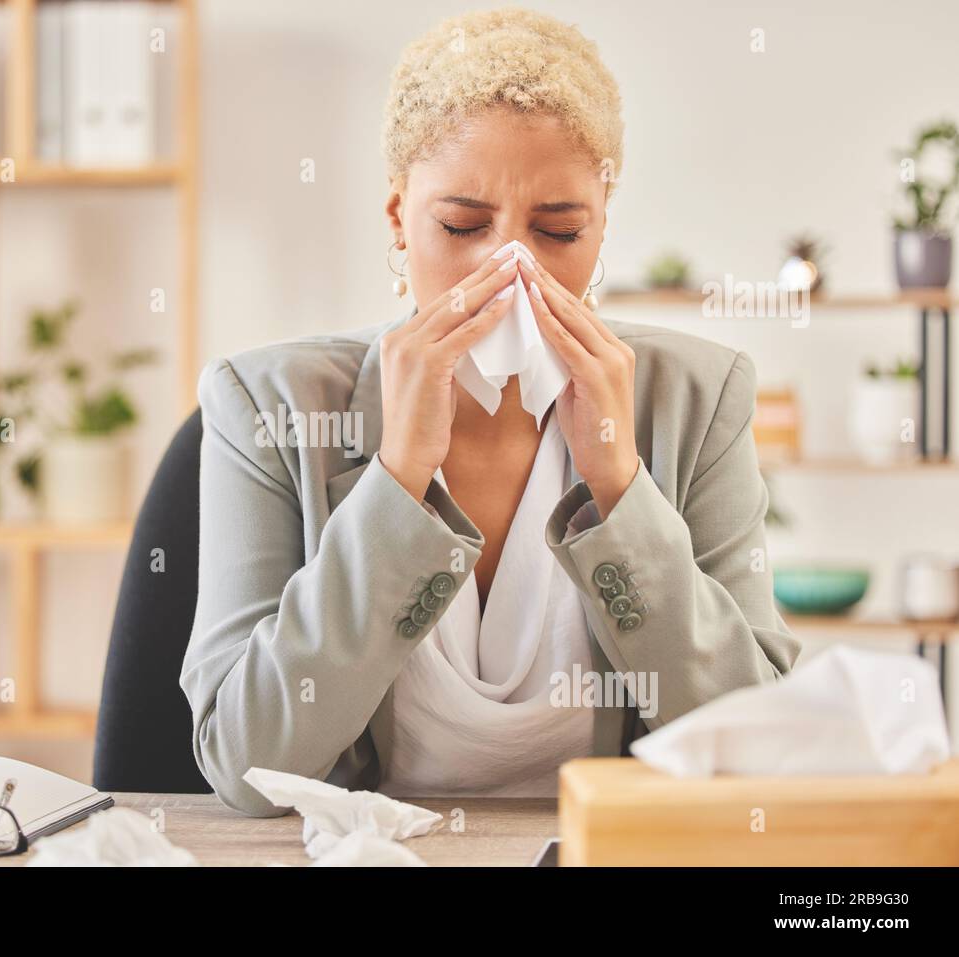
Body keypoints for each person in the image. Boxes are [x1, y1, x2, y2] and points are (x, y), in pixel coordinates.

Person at [182, 7, 800, 816]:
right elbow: (246, 763)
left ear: (602, 222)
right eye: (463, 225)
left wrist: (621, 490)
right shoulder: (265, 405)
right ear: (400, 218)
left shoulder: (698, 396)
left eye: (559, 229)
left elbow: (755, 754)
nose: (511, 270)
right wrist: (396, 483)